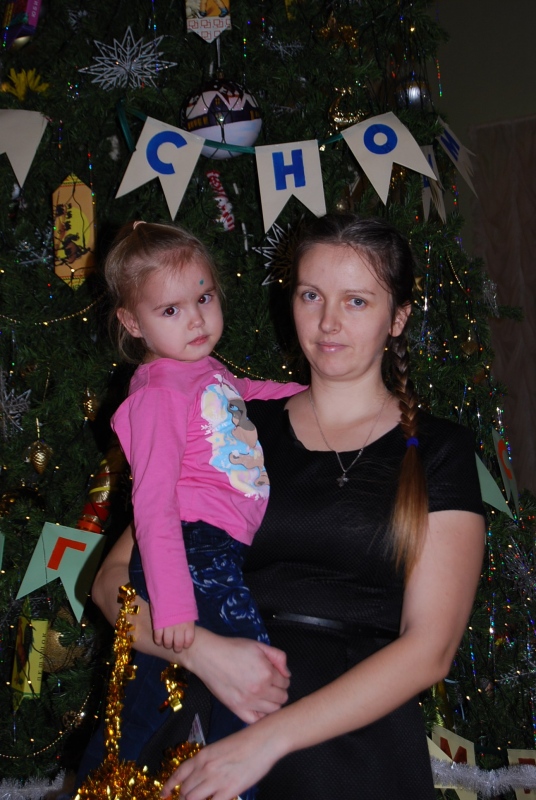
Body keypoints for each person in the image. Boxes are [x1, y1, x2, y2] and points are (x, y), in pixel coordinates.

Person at [91, 213, 486, 800]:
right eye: (311, 295)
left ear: (398, 317)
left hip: (350, 754)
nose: (328, 322)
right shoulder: (233, 424)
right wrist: (205, 653)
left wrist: (264, 742)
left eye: (356, 301)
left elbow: (430, 650)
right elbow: (111, 585)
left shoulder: (438, 450)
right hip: (208, 731)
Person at [93, 221, 303, 788]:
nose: (196, 320)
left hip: (215, 548)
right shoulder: (158, 391)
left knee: (147, 700)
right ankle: (243, 784)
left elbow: (250, 394)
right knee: (255, 681)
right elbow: (153, 503)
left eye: (204, 298)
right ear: (132, 323)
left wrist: (313, 394)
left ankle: (108, 781)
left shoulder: (205, 371)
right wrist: (173, 603)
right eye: (171, 310)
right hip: (195, 548)